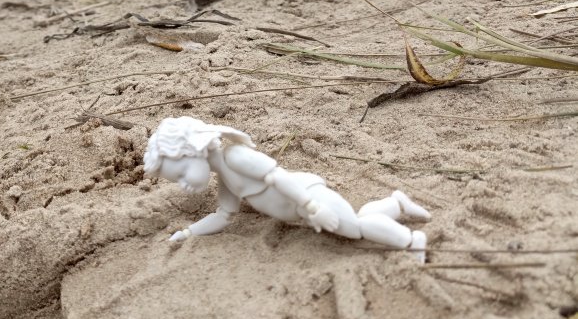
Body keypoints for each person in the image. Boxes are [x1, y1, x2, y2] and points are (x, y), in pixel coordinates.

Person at [143, 116, 430, 262]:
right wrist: (190, 232)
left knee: (355, 229)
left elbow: (279, 177)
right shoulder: (225, 180)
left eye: (181, 174)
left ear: (193, 150)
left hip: (307, 196)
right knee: (355, 222)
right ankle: (396, 204)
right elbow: (223, 215)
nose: (184, 184)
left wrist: (313, 208)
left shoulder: (235, 156)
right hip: (300, 209)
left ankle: (411, 240)